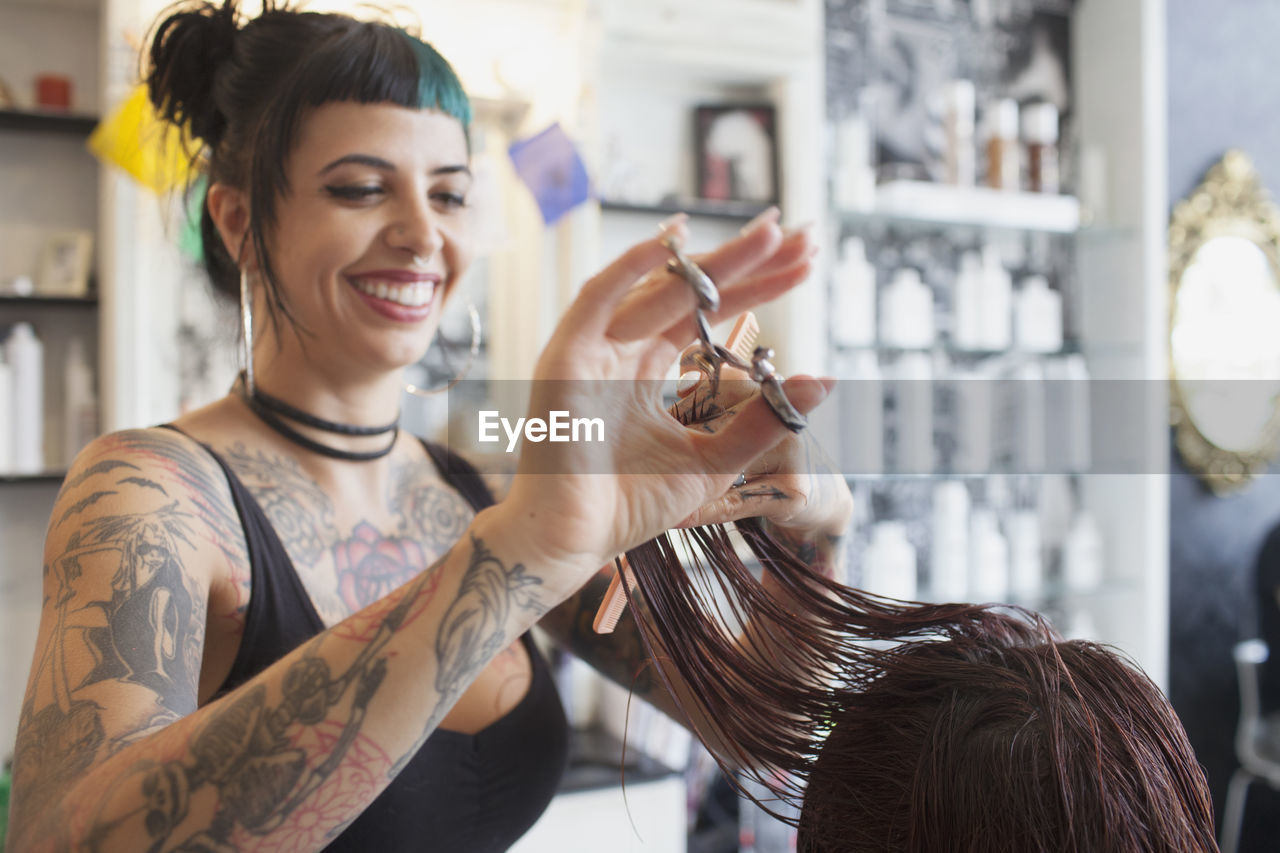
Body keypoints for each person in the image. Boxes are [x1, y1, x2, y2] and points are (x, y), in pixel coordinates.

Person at [4, 2, 845, 851]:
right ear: (238, 222)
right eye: (361, 188)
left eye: (449, 193)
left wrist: (806, 530)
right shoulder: (150, 494)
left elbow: (780, 728)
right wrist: (516, 554)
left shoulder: (470, 483)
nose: (422, 235)